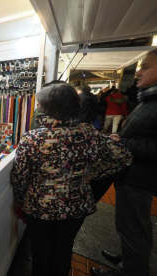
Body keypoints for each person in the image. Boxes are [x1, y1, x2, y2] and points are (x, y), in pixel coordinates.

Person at [11, 83, 132, 276]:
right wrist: (92, 173)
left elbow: (20, 176)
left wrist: (20, 199)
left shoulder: (33, 138)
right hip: (76, 206)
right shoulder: (88, 133)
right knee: (64, 248)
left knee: (40, 252)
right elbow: (123, 156)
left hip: (40, 206)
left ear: (45, 108)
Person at [91, 49, 157, 276]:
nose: (137, 71)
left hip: (140, 177)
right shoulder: (148, 98)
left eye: (146, 66)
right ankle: (129, 260)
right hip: (132, 173)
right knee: (129, 226)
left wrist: (125, 142)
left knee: (134, 228)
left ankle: (129, 271)